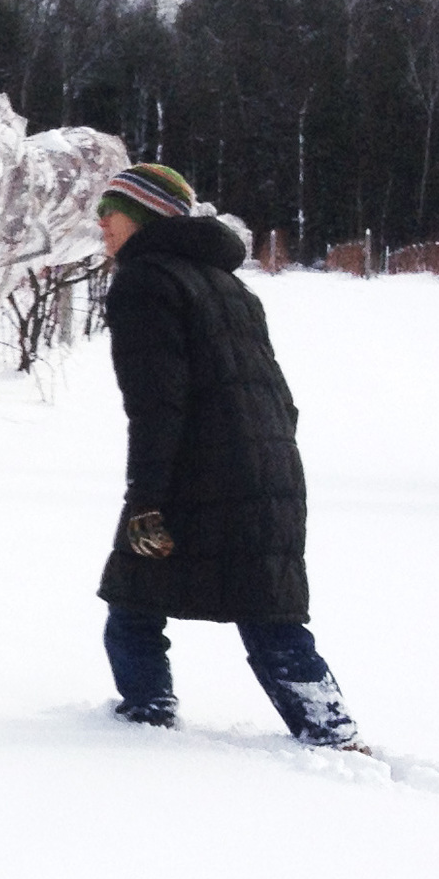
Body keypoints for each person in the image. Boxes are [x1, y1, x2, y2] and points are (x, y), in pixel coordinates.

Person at [92, 163, 366, 750]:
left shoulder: (144, 283)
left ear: (141, 217)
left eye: (108, 212)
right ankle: (332, 730)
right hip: (267, 466)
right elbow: (278, 397)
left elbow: (156, 405)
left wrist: (146, 500)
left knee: (135, 598)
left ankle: (146, 716)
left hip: (197, 469)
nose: (100, 226)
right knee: (264, 603)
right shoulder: (228, 285)